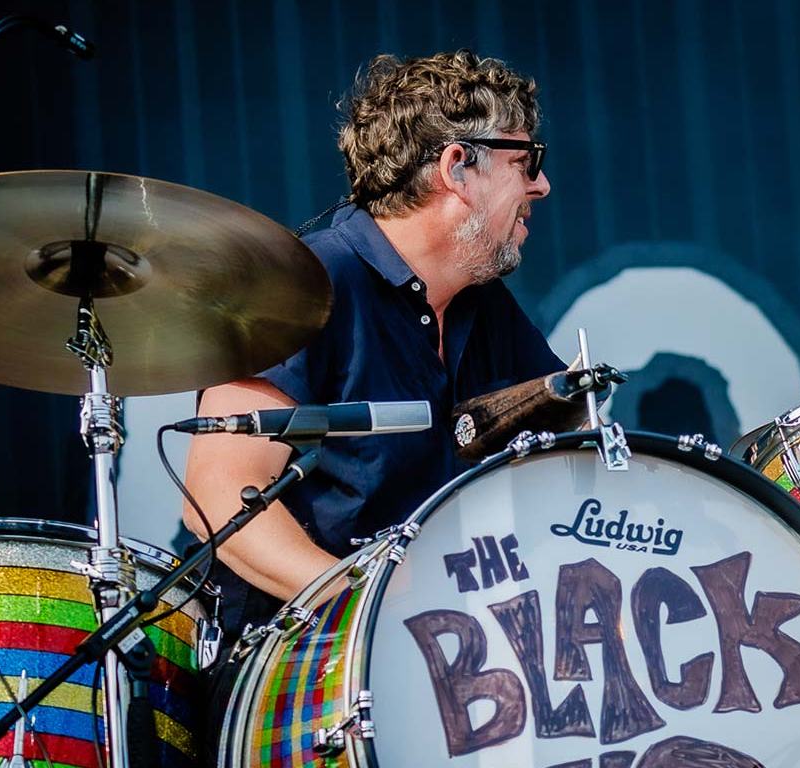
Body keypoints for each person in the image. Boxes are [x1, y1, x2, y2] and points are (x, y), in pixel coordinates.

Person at [181, 49, 563, 651]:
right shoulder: (307, 283)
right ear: (457, 168)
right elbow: (220, 498)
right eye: (525, 161)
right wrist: (370, 608)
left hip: (443, 651)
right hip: (297, 658)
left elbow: (565, 469)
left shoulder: (484, 305)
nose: (541, 185)